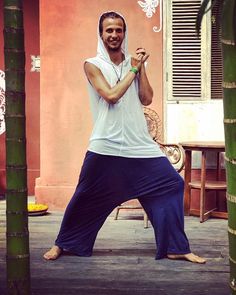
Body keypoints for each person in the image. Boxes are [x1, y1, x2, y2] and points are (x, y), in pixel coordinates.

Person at [44, 11, 206, 264]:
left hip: (139, 144)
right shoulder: (92, 64)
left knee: (171, 184)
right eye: (109, 30)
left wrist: (140, 69)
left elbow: (146, 98)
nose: (114, 35)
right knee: (85, 195)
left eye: (119, 30)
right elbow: (111, 95)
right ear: (101, 34)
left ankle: (175, 246)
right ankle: (64, 243)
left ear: (124, 33)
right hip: (105, 143)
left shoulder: (134, 62)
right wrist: (135, 67)